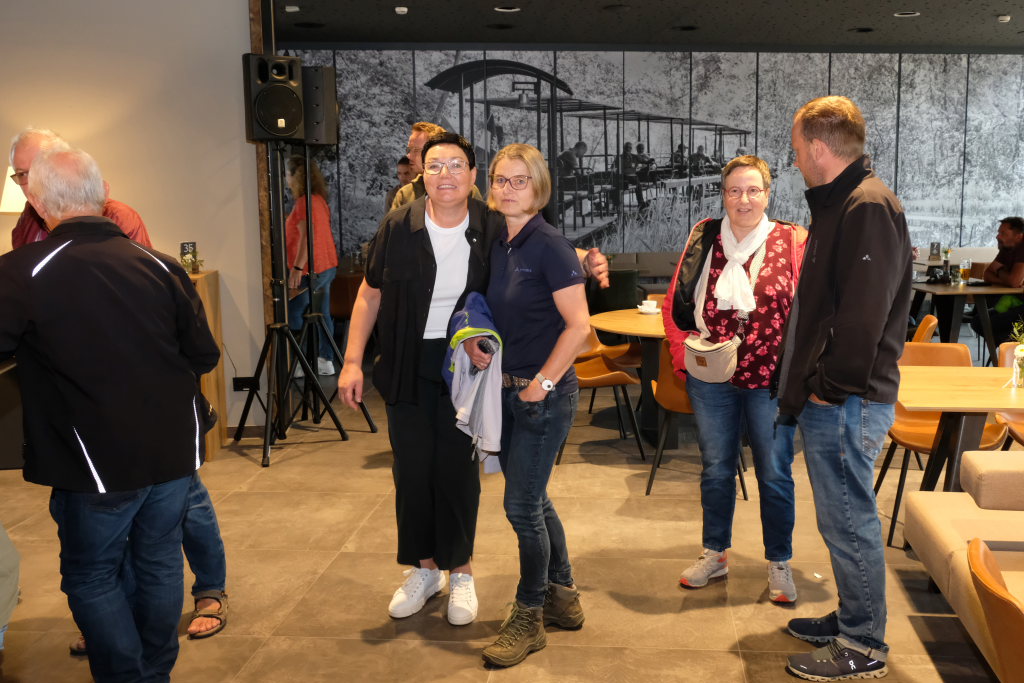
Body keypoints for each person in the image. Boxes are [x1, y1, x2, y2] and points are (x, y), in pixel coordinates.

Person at [338, 132, 607, 630]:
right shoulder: (398, 225)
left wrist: (587, 257)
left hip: (468, 364)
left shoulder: (490, 223)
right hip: (406, 362)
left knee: (459, 472)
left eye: (456, 165)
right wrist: (352, 361)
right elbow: (369, 295)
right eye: (435, 165)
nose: (445, 175)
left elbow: (544, 244)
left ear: (472, 175)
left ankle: (460, 571)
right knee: (411, 472)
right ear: (422, 173)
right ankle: (424, 570)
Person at [0, 146, 221, 682]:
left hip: (94, 462)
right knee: (158, 562)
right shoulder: (161, 265)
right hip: (171, 451)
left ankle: (129, 676)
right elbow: (203, 355)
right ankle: (153, 672)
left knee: (91, 575)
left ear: (37, 201)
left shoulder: (20, 272)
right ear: (101, 194)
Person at [777, 95, 911, 681]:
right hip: (838, 397)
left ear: (818, 147)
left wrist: (829, 387)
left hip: (848, 400)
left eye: (796, 149)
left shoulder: (867, 205)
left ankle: (863, 644)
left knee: (850, 520)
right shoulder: (845, 203)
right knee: (838, 520)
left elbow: (863, 315)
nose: (795, 160)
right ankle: (854, 616)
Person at [662, 155, 805, 603]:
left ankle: (779, 561)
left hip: (770, 380)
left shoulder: (793, 240)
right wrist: (682, 358)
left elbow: (811, 311)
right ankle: (715, 553)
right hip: (710, 376)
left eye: (753, 190)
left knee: (774, 473)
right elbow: (674, 302)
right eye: (734, 191)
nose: (744, 200)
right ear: (723, 195)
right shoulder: (704, 236)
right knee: (717, 468)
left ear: (768, 194)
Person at [469, 143, 590, 668]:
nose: (508, 189)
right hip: (506, 391)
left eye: (520, 180)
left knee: (520, 507)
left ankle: (530, 614)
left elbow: (579, 327)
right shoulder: (500, 241)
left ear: (539, 187)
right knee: (535, 500)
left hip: (543, 397)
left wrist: (541, 383)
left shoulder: (550, 246)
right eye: (501, 179)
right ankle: (563, 596)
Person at [8, 128, 151, 249]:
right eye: (22, 174)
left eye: (41, 169)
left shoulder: (119, 217)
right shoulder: (27, 218)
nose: (32, 182)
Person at [285, 154, 340, 375]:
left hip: (310, 269)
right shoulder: (318, 200)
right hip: (325, 265)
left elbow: (307, 237)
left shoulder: (304, 203)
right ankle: (325, 359)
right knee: (322, 313)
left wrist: (297, 268)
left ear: (295, 176)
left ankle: (299, 363)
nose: (286, 179)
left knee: (295, 312)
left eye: (287, 174)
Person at [389, 121, 482, 211]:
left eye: (416, 150)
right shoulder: (405, 195)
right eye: (409, 150)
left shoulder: (468, 191)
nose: (409, 156)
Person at [970, 216, 1024, 342]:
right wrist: (1006, 278)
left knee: (983, 322)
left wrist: (999, 271)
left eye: (1003, 233)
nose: (997, 236)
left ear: (1018, 236)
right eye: (999, 232)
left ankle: (1010, 347)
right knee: (979, 320)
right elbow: (987, 274)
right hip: (1014, 301)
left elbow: (1014, 281)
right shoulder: (1008, 248)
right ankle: (1010, 346)